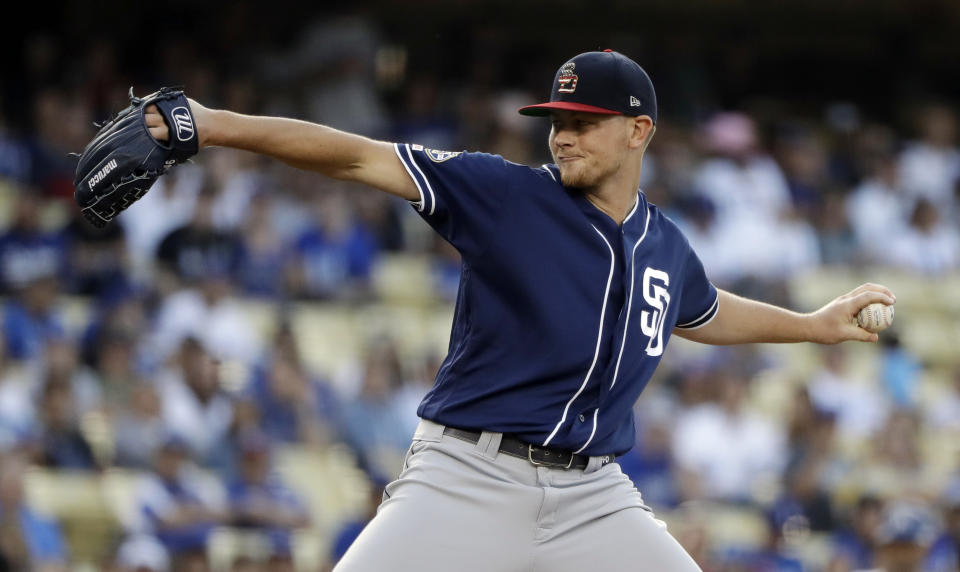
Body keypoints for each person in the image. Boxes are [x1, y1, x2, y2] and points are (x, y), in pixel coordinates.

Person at [143, 49, 896, 571]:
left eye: (583, 120)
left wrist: (810, 325)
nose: (561, 133)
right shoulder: (504, 194)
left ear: (639, 133)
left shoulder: (663, 243)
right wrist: (214, 125)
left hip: (596, 495)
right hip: (469, 475)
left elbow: (699, 311)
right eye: (556, 118)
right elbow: (356, 155)